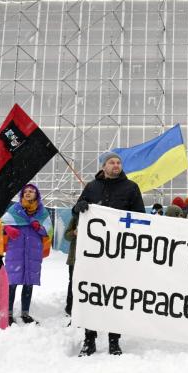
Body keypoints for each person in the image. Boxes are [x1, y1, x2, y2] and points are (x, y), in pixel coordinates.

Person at [72, 151, 145, 356]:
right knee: (92, 293)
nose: (116, 165)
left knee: (116, 296)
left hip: (119, 252)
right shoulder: (92, 187)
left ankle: (114, 340)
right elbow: (75, 210)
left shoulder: (131, 188)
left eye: (119, 162)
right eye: (112, 162)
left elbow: (140, 217)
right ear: (103, 166)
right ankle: (90, 339)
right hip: (94, 253)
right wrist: (79, 206)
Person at [1, 184, 52, 326]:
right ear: (22, 194)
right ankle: (8, 314)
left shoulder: (42, 212)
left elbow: (49, 231)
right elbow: (1, 225)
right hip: (15, 252)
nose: (28, 193)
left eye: (32, 191)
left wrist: (39, 227)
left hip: (33, 252)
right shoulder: (14, 210)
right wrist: (8, 229)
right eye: (26, 191)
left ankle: (25, 313)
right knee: (12, 283)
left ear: (37, 195)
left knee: (29, 283)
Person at [63, 212, 79, 317]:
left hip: (91, 260)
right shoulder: (76, 216)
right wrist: (74, 232)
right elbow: (66, 236)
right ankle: (70, 307)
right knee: (73, 283)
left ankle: (82, 307)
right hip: (74, 258)